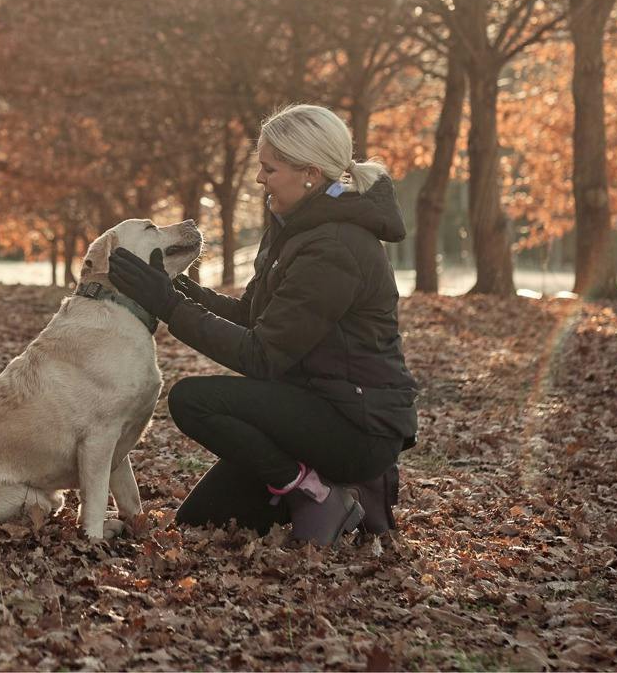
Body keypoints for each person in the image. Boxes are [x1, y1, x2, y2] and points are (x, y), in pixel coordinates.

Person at [106, 103, 419, 546]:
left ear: (309, 173)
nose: (259, 179)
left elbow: (262, 356)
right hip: (310, 405)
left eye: (269, 169)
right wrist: (177, 287)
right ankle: (323, 485)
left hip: (356, 426)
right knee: (200, 524)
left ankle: (320, 491)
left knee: (193, 400)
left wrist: (170, 306)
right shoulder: (296, 225)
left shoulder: (335, 246)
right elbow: (253, 315)